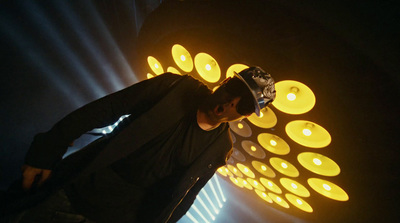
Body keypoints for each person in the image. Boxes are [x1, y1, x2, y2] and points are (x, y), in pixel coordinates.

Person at [1, 66, 276, 223]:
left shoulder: (220, 147)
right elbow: (106, 108)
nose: (232, 104)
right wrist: (45, 152)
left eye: (245, 105)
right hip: (71, 191)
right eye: (236, 91)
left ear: (247, 116)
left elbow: (184, 196)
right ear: (225, 82)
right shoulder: (174, 88)